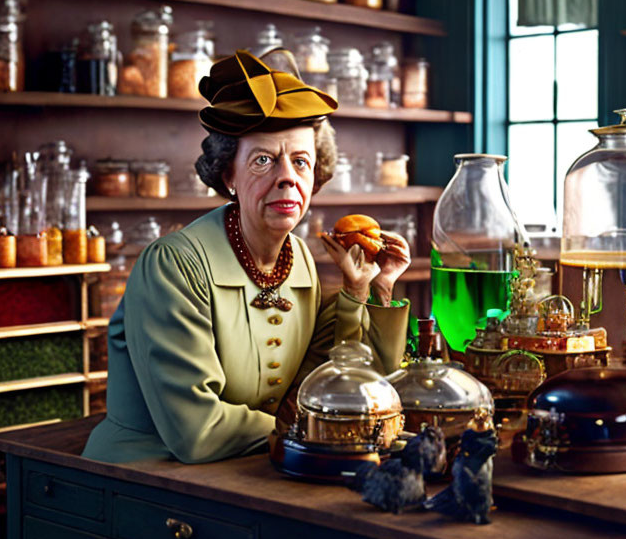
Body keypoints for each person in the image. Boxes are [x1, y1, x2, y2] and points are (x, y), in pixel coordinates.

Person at [83, 51, 411, 464]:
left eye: (301, 161)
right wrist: (313, 430)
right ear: (228, 175)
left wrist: (366, 289)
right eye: (263, 160)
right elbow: (196, 432)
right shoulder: (172, 266)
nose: (288, 176)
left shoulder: (299, 261)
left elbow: (325, 385)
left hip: (251, 469)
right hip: (144, 479)